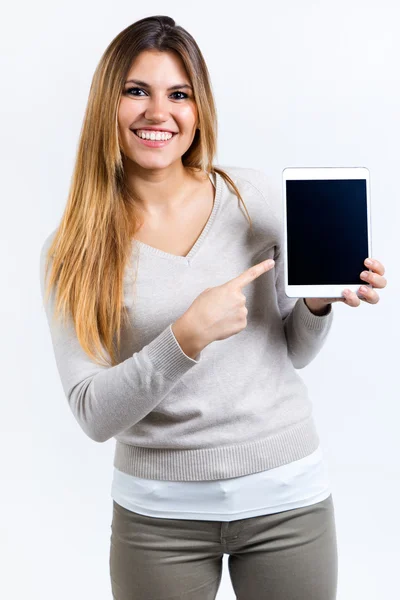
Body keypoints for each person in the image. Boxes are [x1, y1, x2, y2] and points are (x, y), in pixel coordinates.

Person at [39, 15, 387, 600]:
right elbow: (92, 414)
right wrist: (184, 338)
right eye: (136, 91)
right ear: (108, 104)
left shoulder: (254, 201)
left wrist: (318, 304)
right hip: (157, 522)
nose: (158, 112)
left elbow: (294, 352)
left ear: (198, 108)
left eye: (178, 94)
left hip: (287, 501)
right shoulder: (74, 247)